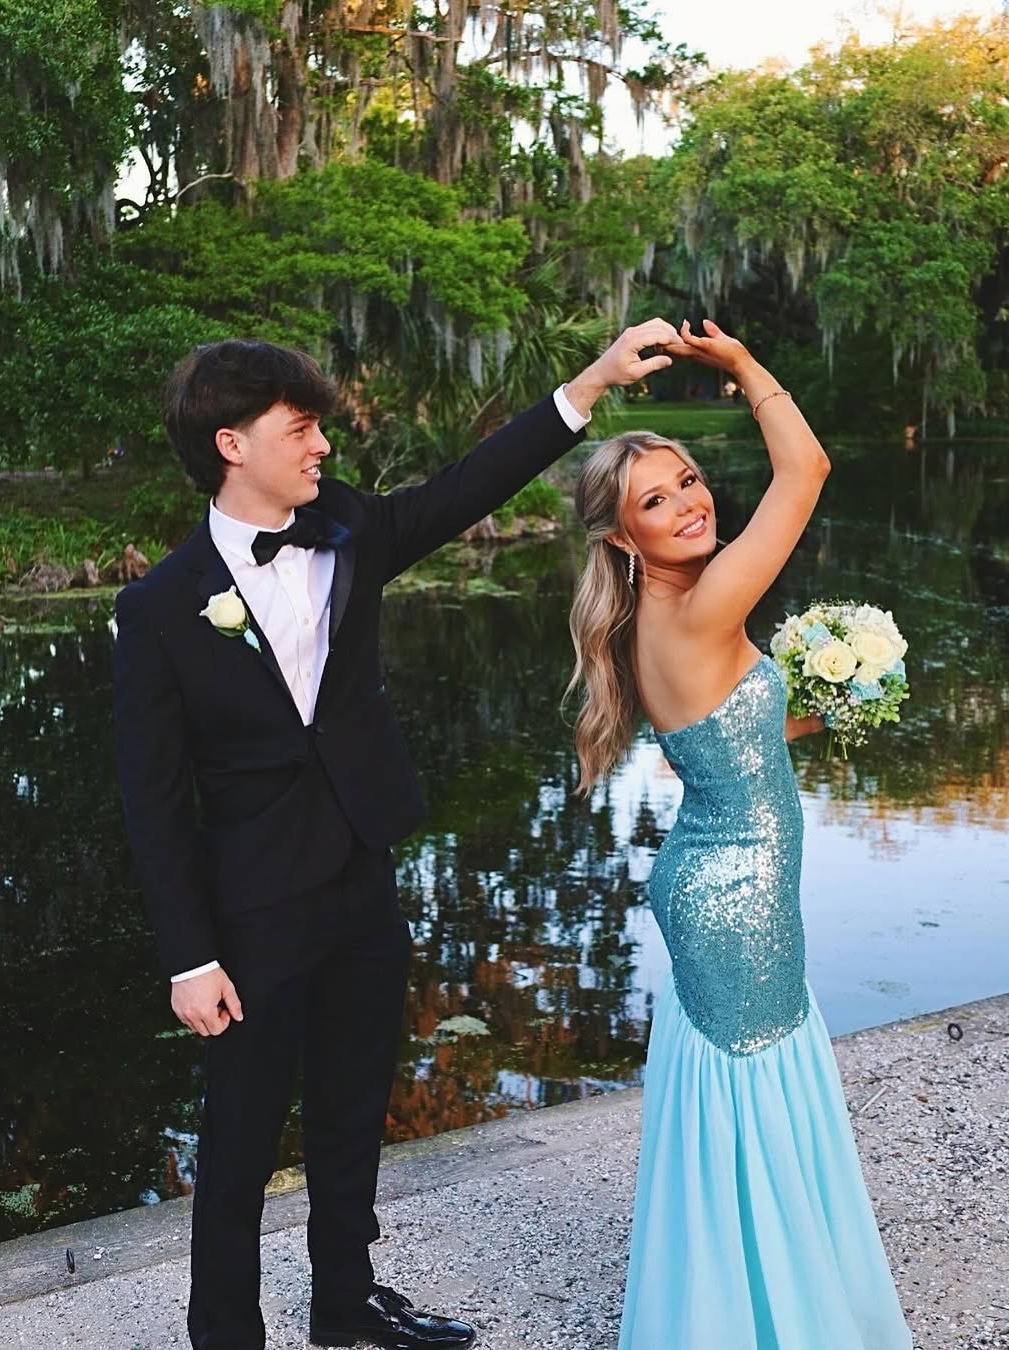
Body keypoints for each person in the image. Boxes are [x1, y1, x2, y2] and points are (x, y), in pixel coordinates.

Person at [111, 321, 678, 1350]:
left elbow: (470, 485)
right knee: (238, 1143)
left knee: (351, 1109)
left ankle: (346, 1305)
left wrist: (592, 382)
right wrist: (189, 959)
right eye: (300, 428)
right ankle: (226, 1333)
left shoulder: (349, 528)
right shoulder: (156, 610)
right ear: (232, 444)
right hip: (250, 913)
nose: (323, 444)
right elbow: (151, 801)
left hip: (362, 881)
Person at [567, 319, 913, 1349]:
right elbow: (805, 471)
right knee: (754, 1091)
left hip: (720, 879)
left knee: (746, 1090)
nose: (689, 503)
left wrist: (838, 699)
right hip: (735, 896)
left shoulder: (665, 618)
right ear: (621, 538)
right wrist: (743, 366)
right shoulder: (704, 607)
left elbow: (728, 742)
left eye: (687, 481)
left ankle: (748, 1298)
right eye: (656, 501)